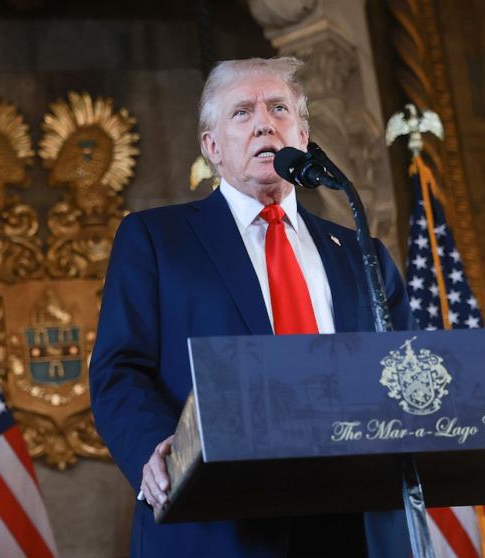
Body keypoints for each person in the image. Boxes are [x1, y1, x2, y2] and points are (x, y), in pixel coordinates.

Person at [89, 57, 413, 558]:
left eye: (279, 108)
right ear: (212, 146)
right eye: (242, 112)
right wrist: (155, 447)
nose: (265, 122)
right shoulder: (157, 239)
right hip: (220, 521)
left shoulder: (360, 254)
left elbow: (405, 369)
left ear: (302, 137)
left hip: (358, 523)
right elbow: (118, 368)